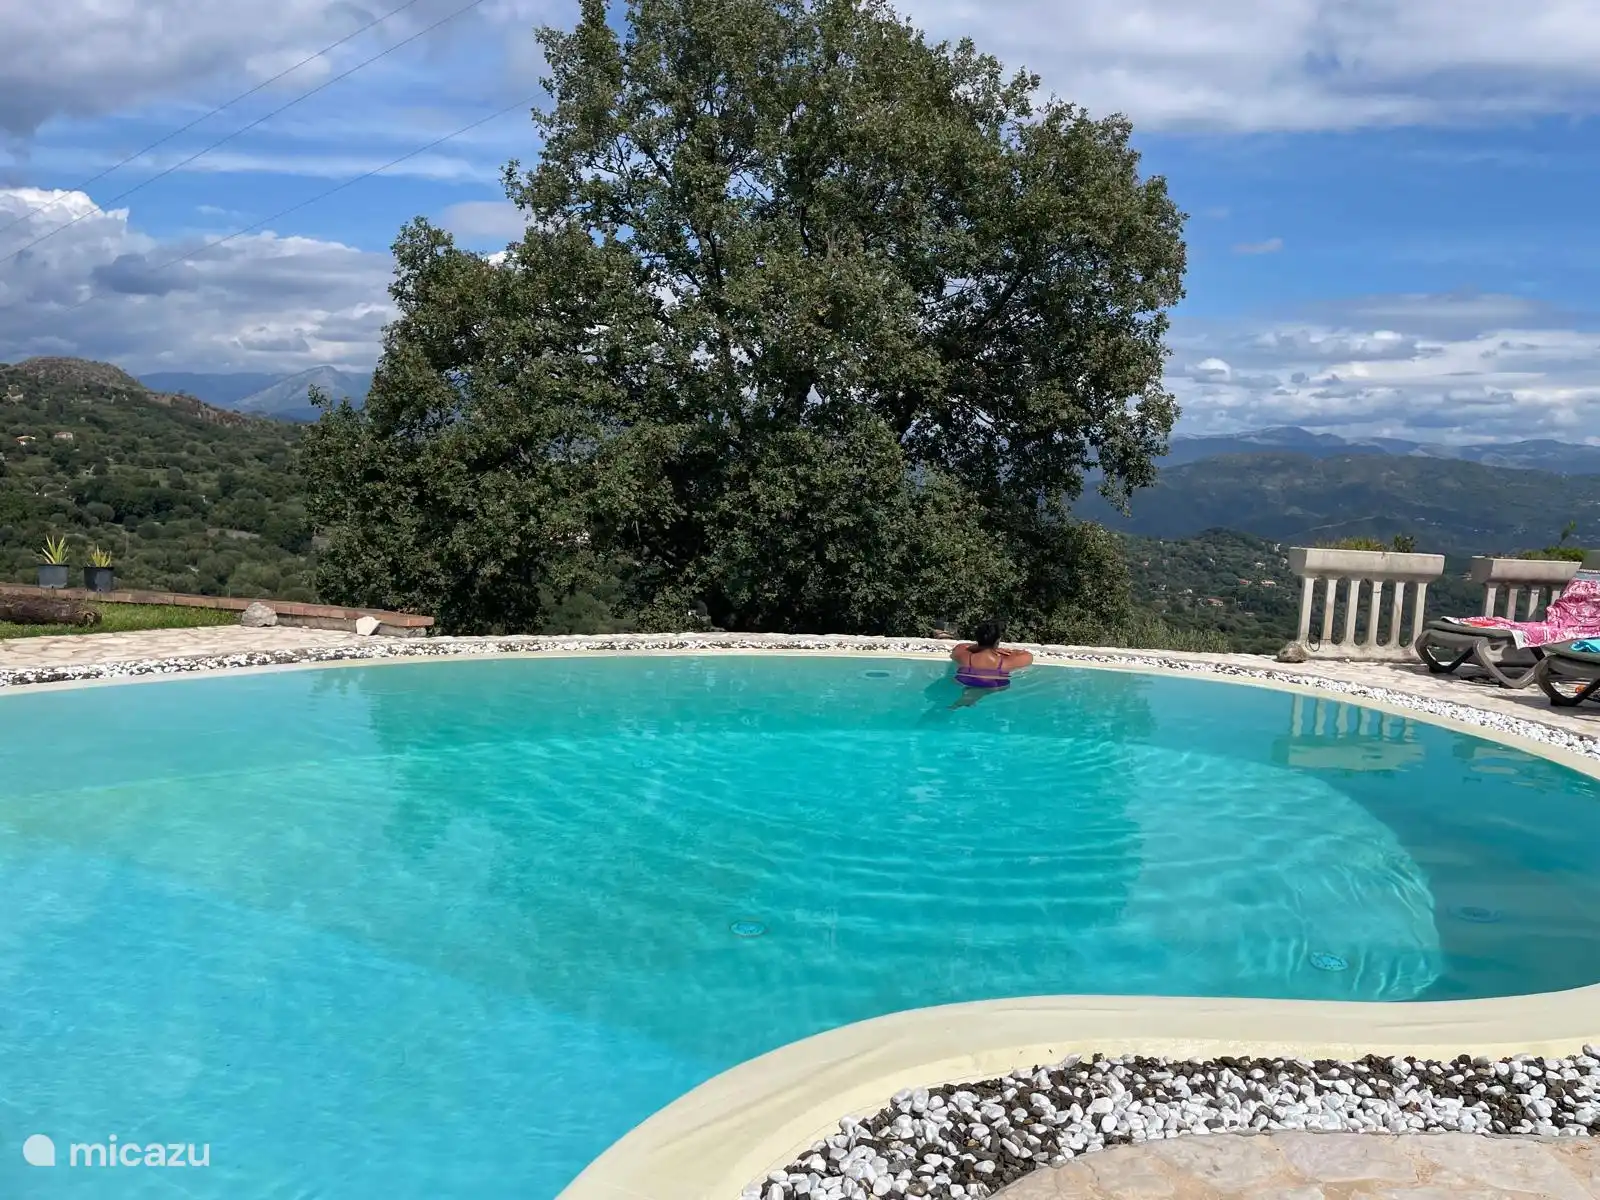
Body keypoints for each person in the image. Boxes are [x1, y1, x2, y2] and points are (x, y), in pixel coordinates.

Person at [948, 620, 1033, 706]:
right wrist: (997, 649)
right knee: (1004, 685)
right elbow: (1028, 656)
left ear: (977, 639)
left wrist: (979, 647)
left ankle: (973, 694)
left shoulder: (964, 657)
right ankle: (978, 693)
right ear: (998, 641)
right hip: (993, 686)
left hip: (965, 682)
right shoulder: (1006, 663)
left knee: (973, 684)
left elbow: (960, 647)